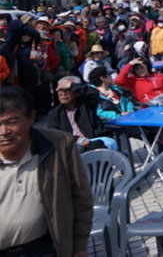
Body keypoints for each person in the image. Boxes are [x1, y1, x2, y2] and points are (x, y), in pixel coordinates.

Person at [0, 86, 93, 257]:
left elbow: (81, 198)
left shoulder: (57, 146)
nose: (3, 132)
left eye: (12, 122)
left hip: (44, 249)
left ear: (31, 118)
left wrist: (79, 247)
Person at [45, 76, 116, 152]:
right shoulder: (55, 113)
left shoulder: (86, 105)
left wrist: (72, 85)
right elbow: (53, 134)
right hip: (72, 145)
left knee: (106, 144)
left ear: (77, 92)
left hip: (94, 141)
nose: (63, 94)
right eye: (60, 90)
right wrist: (76, 139)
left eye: (67, 90)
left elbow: (94, 93)